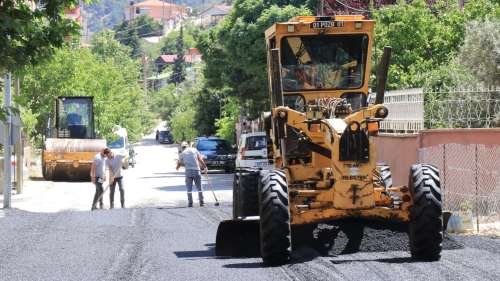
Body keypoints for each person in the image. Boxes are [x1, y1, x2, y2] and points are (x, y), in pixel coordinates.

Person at [176, 141, 207, 207]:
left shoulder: (182, 153)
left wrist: (177, 167)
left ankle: (190, 203)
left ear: (182, 147)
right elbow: (200, 159)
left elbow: (179, 163)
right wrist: (205, 167)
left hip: (188, 172)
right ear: (188, 146)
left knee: (189, 188)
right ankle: (202, 202)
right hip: (196, 171)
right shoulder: (194, 150)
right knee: (199, 187)